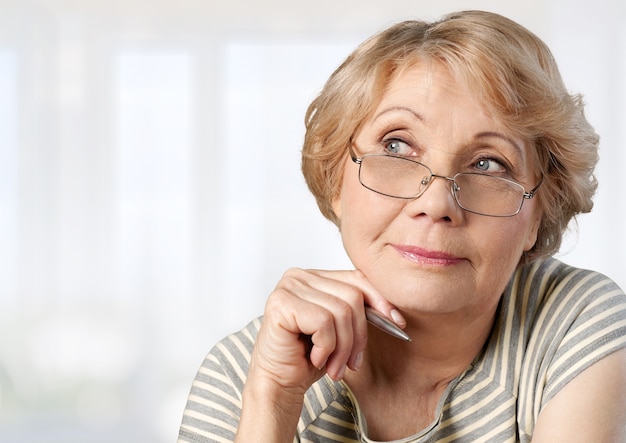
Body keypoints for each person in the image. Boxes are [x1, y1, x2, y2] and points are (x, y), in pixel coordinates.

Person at [178, 10, 626, 443]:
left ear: (539, 213)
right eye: (397, 146)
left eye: (489, 164)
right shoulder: (243, 375)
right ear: (337, 180)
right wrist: (272, 403)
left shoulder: (575, 319)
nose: (435, 204)